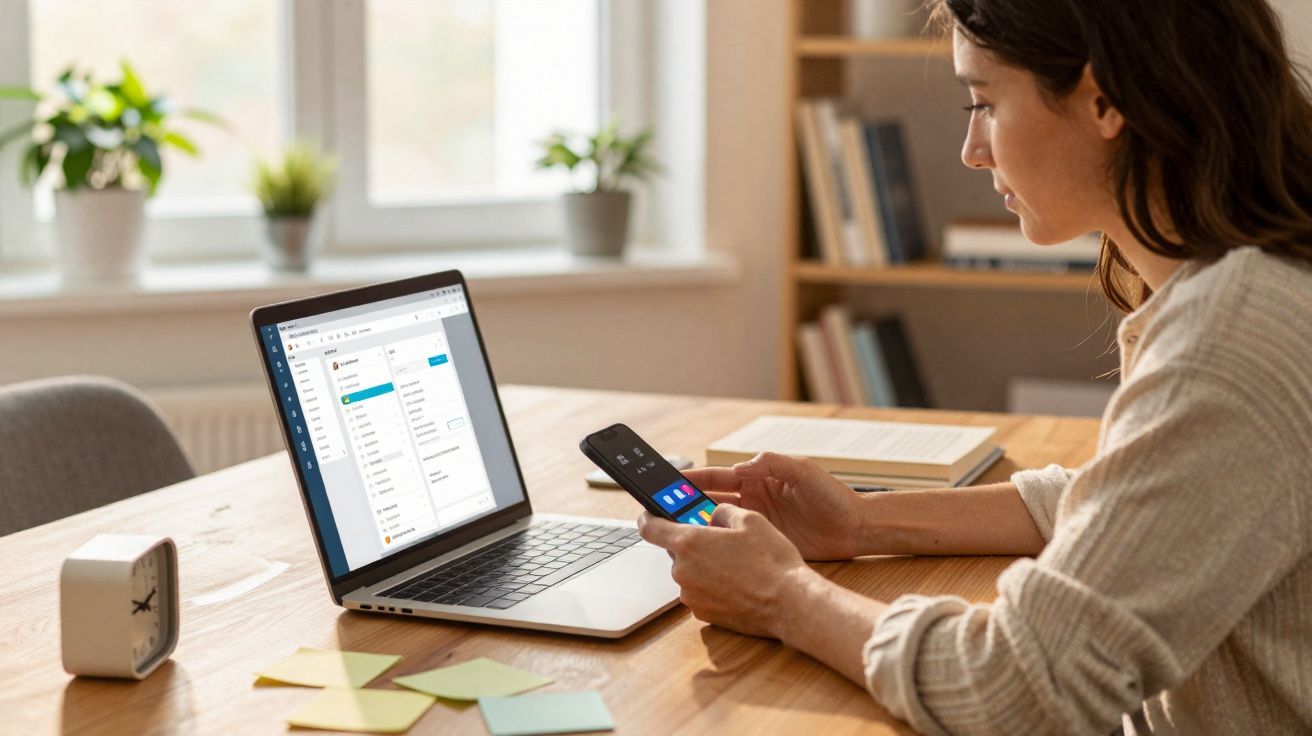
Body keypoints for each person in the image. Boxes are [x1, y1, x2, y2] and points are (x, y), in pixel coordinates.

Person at [636, 0, 1312, 733]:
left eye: (984, 103)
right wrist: (861, 522)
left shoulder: (1231, 342)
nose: (972, 148)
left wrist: (779, 595)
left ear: (1104, 99)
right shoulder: (1248, 285)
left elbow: (1014, 688)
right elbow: (1143, 507)